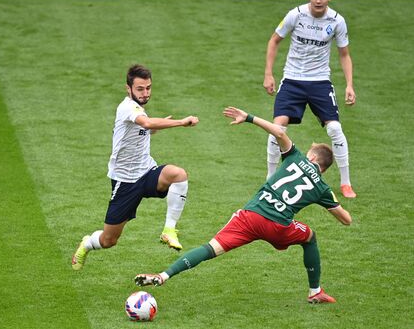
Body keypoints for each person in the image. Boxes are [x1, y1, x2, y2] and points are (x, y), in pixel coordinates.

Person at [135, 106, 352, 304]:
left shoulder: (295, 157)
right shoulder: (323, 188)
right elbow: (346, 220)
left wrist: (248, 117)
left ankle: (163, 275)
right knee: (310, 237)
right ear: (323, 168)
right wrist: (328, 200)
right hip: (279, 226)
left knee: (210, 249)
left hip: (250, 216)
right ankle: (315, 291)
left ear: (312, 156)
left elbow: (279, 133)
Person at [71, 64, 199, 270]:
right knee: (108, 240)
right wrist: (181, 122)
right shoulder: (127, 107)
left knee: (179, 175)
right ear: (128, 88)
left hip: (147, 172)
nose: (145, 93)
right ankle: (87, 243)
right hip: (125, 182)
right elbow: (146, 124)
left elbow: (145, 129)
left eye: (148, 88)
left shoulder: (140, 110)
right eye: (140, 89)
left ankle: (169, 229)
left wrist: (154, 127)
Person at [263, 0, 357, 198]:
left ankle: (346, 183)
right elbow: (274, 40)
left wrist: (350, 85)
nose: (318, 0)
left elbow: (344, 54)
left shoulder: (337, 21)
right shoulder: (295, 15)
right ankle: (270, 179)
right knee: (277, 129)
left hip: (320, 82)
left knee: (335, 129)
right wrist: (268, 73)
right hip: (292, 80)